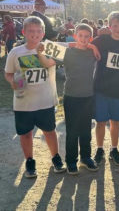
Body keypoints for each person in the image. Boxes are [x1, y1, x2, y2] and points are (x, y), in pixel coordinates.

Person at [4, 16, 65, 178]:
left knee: (50, 131)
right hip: (23, 103)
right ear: (23, 32)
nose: (35, 34)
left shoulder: (50, 49)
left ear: (44, 32)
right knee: (25, 133)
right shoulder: (16, 52)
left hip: (46, 100)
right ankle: (30, 161)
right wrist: (12, 82)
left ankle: (56, 157)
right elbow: (8, 73)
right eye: (31, 31)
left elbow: (67, 51)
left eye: (39, 31)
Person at [36, 23, 99, 175]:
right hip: (71, 97)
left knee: (86, 130)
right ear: (75, 36)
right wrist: (40, 53)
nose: (83, 39)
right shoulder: (67, 52)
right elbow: (47, 62)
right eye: (80, 36)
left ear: (90, 38)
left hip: (88, 97)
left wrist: (93, 47)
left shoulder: (93, 53)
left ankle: (86, 157)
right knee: (72, 131)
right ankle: (71, 161)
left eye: (86, 36)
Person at [92, 11, 119, 166]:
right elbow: (85, 44)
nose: (118, 28)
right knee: (100, 122)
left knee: (115, 121)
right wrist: (93, 46)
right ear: (109, 26)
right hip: (101, 88)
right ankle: (99, 149)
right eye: (115, 25)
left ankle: (114, 149)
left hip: (118, 89)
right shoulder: (102, 40)